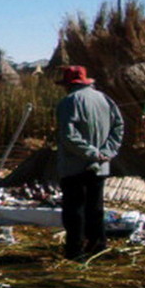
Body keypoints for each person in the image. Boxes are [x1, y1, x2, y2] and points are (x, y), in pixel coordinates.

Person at [55, 65, 124, 261]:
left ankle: (75, 252)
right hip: (100, 165)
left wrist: (91, 153)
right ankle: (98, 246)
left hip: (75, 166)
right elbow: (118, 126)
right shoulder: (105, 99)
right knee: (95, 208)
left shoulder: (69, 102)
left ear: (68, 85)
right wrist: (106, 152)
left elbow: (68, 135)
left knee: (74, 210)